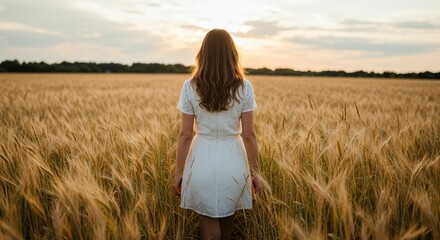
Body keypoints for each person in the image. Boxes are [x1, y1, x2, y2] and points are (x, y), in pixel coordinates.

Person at [173, 28, 261, 240]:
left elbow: (185, 134)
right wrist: (256, 173)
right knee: (227, 228)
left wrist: (178, 173)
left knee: (209, 227)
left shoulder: (190, 86)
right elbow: (249, 135)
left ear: (203, 53)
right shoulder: (244, 87)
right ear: (232, 53)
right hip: (235, 161)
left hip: (201, 159)